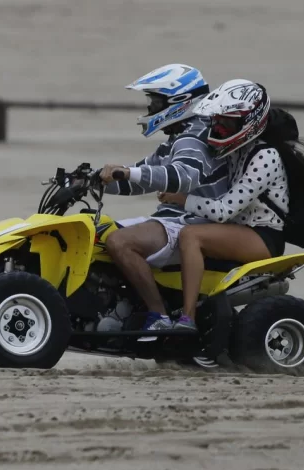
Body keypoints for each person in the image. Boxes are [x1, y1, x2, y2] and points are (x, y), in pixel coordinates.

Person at [157, 79, 304, 331]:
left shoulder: (266, 156)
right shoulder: (235, 149)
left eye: (227, 122)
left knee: (190, 236)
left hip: (261, 237)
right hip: (239, 231)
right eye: (217, 119)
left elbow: (224, 210)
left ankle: (187, 319)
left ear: (250, 121)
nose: (218, 127)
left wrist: (182, 199)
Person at [98, 64, 228, 334]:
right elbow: (140, 180)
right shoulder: (177, 138)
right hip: (172, 221)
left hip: (191, 222)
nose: (150, 111)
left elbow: (182, 177)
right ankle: (121, 306)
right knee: (97, 233)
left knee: (119, 241)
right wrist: (94, 181)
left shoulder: (195, 136)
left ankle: (158, 317)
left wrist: (127, 172)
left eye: (155, 103)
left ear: (180, 102)